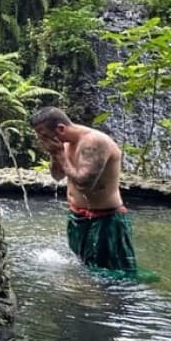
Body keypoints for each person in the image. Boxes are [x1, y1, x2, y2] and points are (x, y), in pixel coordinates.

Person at [30, 106, 137, 274]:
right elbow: (57, 175)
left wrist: (59, 154)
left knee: (110, 273)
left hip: (105, 219)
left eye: (42, 134)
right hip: (77, 216)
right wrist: (54, 153)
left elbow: (84, 184)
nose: (41, 139)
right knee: (84, 267)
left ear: (60, 128)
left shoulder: (94, 142)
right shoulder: (64, 144)